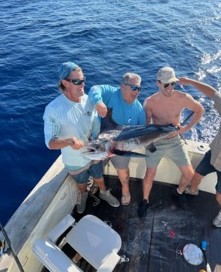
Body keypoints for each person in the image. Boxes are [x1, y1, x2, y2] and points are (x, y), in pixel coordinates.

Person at [43, 61, 120, 214]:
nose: (82, 84)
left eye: (83, 79)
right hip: (74, 160)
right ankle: (83, 196)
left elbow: (97, 128)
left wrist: (104, 147)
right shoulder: (53, 109)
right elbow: (50, 143)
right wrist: (68, 142)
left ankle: (104, 192)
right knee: (82, 183)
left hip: (94, 154)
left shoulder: (88, 100)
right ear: (65, 83)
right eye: (77, 81)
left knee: (99, 176)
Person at [138, 66, 204, 217]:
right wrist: (149, 143)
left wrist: (185, 129)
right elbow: (147, 126)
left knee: (189, 175)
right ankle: (145, 201)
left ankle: (179, 193)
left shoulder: (183, 97)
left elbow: (200, 110)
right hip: (157, 141)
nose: (170, 88)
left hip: (175, 140)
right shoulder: (150, 102)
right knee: (149, 174)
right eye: (166, 84)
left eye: (173, 83)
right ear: (158, 83)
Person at [88, 73, 146, 205]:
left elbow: (143, 131)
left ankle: (125, 190)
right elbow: (94, 89)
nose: (137, 92)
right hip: (102, 141)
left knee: (123, 171)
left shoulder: (138, 109)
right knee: (94, 165)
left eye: (139, 88)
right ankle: (98, 185)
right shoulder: (111, 93)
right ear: (123, 86)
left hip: (121, 147)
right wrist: (98, 102)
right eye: (134, 87)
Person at [179, 77, 221, 228]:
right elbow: (212, 93)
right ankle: (192, 192)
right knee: (196, 176)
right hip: (214, 154)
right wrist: (190, 81)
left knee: (219, 196)